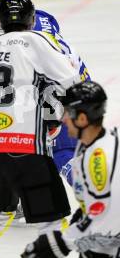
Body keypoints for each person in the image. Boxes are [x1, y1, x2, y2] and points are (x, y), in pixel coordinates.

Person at [0, 0, 81, 258]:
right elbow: (72, 83)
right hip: (26, 151)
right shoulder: (35, 40)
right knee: (52, 225)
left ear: (0, 23)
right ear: (31, 20)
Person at [22, 81, 120, 258]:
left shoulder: (99, 159)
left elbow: (106, 220)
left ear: (82, 119)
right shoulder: (89, 148)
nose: (62, 119)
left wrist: (60, 242)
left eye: (67, 113)